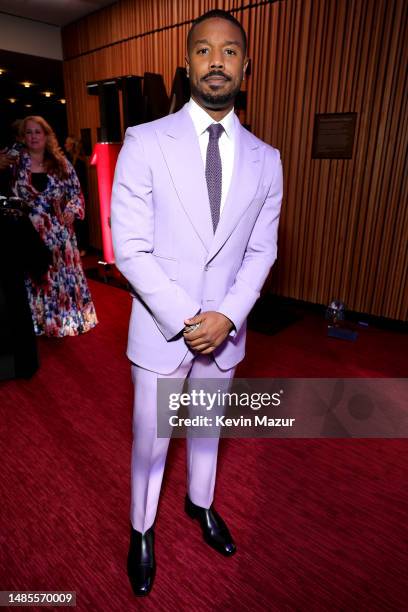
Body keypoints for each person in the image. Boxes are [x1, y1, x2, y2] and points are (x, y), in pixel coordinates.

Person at [111, 9, 283, 596]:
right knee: (150, 441)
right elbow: (129, 246)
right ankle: (141, 528)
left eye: (229, 51)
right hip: (164, 329)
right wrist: (190, 319)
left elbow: (262, 252)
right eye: (204, 50)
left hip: (226, 330)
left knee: (207, 430)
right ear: (187, 65)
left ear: (245, 67)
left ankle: (201, 504)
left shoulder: (268, 159)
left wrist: (227, 316)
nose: (217, 61)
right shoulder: (145, 141)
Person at [12, 116, 98, 337]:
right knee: (37, 280)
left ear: (46, 135)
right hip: (30, 233)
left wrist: (71, 209)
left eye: (37, 132)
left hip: (59, 233)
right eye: (28, 132)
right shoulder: (15, 163)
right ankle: (40, 323)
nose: (33, 136)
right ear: (23, 137)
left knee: (62, 280)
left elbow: (76, 193)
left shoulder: (60, 163)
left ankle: (66, 321)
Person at [64, 135, 90, 255]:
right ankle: (78, 246)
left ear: (72, 146)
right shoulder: (68, 161)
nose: (65, 146)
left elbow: (78, 184)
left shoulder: (78, 162)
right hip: (71, 196)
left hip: (79, 196)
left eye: (67, 144)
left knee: (80, 222)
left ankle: (83, 247)